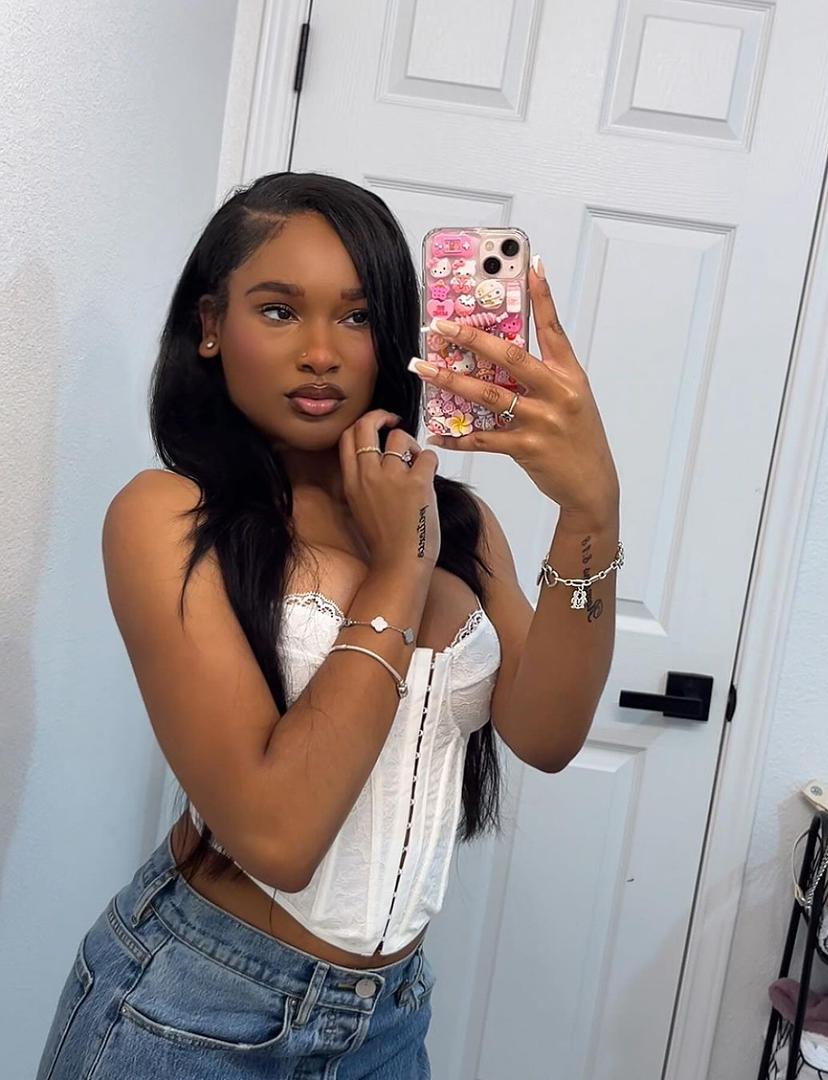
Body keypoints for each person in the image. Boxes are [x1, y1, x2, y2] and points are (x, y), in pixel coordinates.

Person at [36, 171, 621, 1079]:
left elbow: (546, 736)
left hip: (388, 1025)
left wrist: (590, 511)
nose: (322, 353)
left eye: (357, 316)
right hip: (189, 1012)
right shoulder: (166, 516)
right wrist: (399, 568)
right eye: (278, 311)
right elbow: (279, 837)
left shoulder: (460, 522)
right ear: (209, 325)